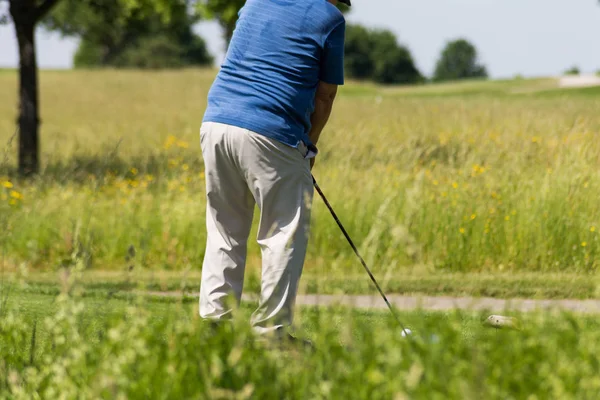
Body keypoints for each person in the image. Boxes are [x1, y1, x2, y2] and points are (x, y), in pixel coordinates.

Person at [199, 0, 349, 338]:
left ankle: (215, 328)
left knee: (225, 229)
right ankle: (271, 334)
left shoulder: (255, 1)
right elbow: (325, 96)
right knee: (283, 234)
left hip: (216, 123)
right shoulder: (329, 18)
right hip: (270, 131)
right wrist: (309, 146)